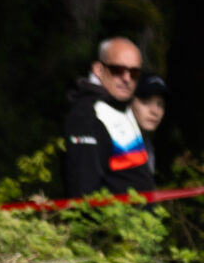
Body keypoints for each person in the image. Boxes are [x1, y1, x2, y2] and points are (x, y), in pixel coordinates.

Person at [62, 36, 154, 199]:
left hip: (141, 214)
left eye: (134, 73)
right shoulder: (86, 115)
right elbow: (83, 191)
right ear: (98, 70)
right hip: (113, 214)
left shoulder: (122, 108)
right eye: (117, 70)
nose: (127, 79)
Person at [130, 74, 167, 180]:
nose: (155, 111)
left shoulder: (147, 146)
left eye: (160, 104)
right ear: (130, 102)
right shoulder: (113, 142)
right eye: (146, 102)